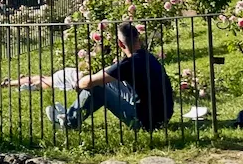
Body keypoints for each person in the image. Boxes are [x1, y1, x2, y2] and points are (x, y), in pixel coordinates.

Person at [46, 22, 174, 132]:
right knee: (107, 81)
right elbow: (110, 71)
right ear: (138, 39)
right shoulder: (147, 56)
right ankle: (70, 112)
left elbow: (87, 83)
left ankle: (68, 122)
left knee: (96, 87)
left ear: (120, 43)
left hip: (145, 122)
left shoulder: (128, 64)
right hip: (162, 117)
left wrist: (78, 83)